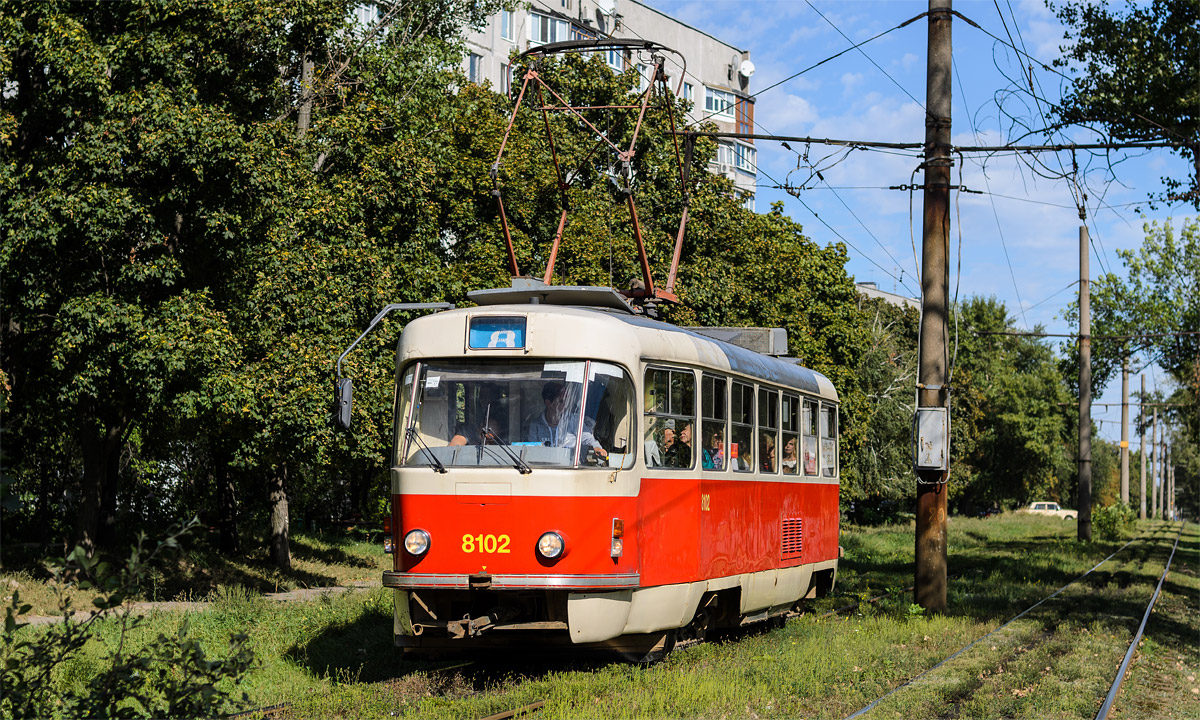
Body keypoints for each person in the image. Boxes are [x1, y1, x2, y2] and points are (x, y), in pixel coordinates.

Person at [527, 382, 608, 461]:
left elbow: (587, 438)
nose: (565, 405)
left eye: (567, 401)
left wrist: (597, 448)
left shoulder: (574, 420)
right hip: (544, 467)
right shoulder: (536, 426)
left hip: (572, 466)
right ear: (548, 403)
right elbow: (532, 451)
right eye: (561, 401)